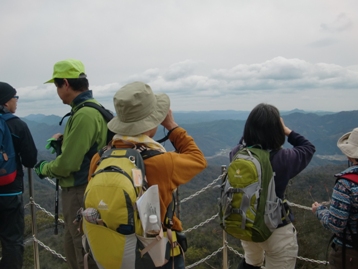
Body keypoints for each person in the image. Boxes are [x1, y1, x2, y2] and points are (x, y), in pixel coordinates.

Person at [89, 81, 207, 268]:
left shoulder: (100, 158)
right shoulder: (162, 162)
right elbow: (198, 158)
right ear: (152, 121)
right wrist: (172, 126)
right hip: (157, 255)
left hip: (114, 254)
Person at [34, 59, 108, 269]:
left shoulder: (84, 114)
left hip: (79, 191)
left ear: (65, 83)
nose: (57, 92)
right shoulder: (93, 108)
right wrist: (64, 142)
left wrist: (44, 168)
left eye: (57, 86)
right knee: (76, 246)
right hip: (89, 186)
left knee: (82, 249)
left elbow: (68, 165)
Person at [230, 103, 315, 269]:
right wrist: (287, 130)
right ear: (277, 130)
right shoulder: (283, 159)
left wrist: (252, 132)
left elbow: (244, 143)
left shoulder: (237, 154)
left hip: (246, 225)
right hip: (276, 230)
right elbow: (308, 148)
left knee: (251, 263)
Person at [0, 82, 37, 269]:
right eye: (15, 97)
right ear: (6, 101)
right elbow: (31, 160)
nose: (16, 101)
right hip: (8, 193)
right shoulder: (16, 125)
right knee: (12, 242)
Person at [312, 128, 358, 269]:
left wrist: (319, 210)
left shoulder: (346, 183)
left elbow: (336, 224)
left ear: (350, 155)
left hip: (350, 254)